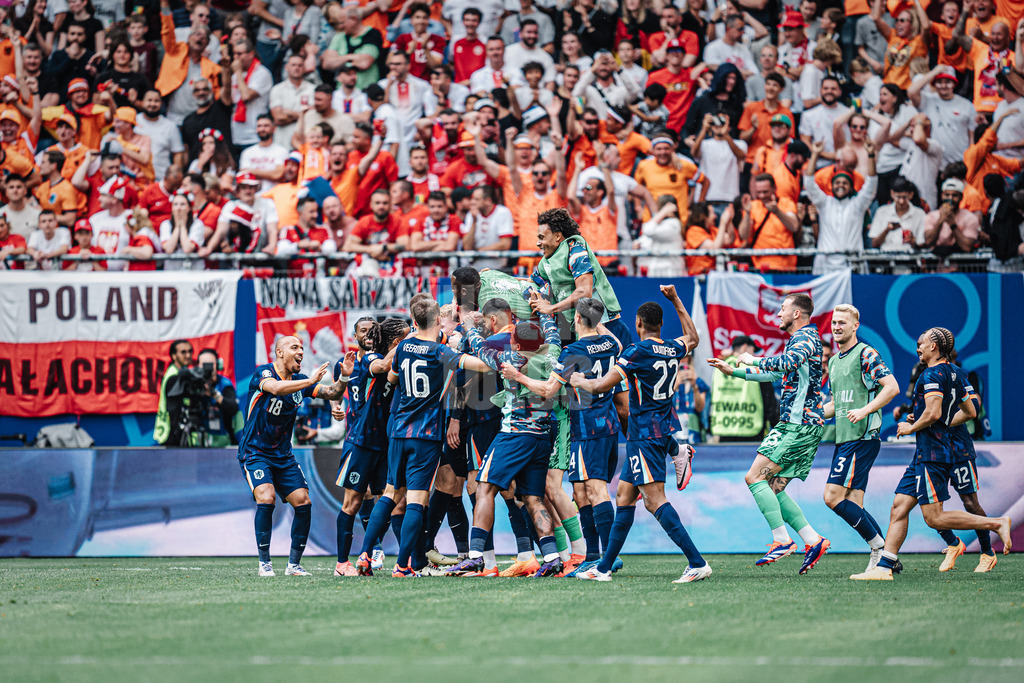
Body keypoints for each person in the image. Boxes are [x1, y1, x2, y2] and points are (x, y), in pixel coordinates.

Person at [851, 328, 1012, 580]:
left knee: (936, 517)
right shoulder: (951, 372)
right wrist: (935, 421)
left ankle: (993, 531)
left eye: (921, 343)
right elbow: (967, 412)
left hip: (938, 453)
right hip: (927, 451)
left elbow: (938, 412)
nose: (918, 348)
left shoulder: (933, 373)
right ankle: (885, 567)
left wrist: (912, 426)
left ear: (934, 346)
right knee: (899, 506)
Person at [573, 286, 709, 584]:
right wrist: (675, 299)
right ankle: (604, 568)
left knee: (654, 500)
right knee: (624, 497)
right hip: (657, 429)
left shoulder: (635, 353)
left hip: (645, 435)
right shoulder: (672, 347)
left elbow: (600, 387)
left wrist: (579, 379)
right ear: (660, 324)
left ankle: (697, 562)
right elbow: (695, 339)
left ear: (637, 324)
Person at [355, 298, 493, 577]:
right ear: (439, 321)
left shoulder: (403, 346)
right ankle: (403, 565)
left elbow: (392, 380)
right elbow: (482, 366)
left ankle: (364, 556)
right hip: (426, 435)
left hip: (398, 431)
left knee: (391, 494)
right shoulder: (440, 352)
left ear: (414, 322)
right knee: (417, 499)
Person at [708, 292, 831, 574]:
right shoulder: (803, 340)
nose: (779, 314)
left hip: (796, 425)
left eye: (783, 309)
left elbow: (784, 364)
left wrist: (751, 359)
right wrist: (734, 372)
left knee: (754, 477)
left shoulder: (804, 339)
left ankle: (782, 540)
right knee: (773, 487)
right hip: (803, 426)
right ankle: (813, 540)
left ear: (797, 314)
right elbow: (777, 375)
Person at [443, 303, 568, 578]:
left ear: (514, 341)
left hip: (514, 435)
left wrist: (468, 326)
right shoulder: (553, 355)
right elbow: (554, 334)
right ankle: (552, 556)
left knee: (485, 487)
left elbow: (479, 347)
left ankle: (475, 557)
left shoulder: (508, 360)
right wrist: (545, 311)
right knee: (533, 498)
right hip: (542, 436)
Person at [501, 297, 621, 575]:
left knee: (595, 491)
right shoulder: (611, 344)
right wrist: (594, 318)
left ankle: (607, 557)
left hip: (588, 426)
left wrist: (519, 378)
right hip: (606, 425)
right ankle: (591, 555)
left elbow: (548, 391)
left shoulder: (573, 352)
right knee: (580, 492)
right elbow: (615, 341)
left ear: (577, 319)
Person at [239, 335, 349, 577]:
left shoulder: (301, 381)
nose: (300, 351)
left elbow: (332, 392)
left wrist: (344, 378)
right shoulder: (264, 373)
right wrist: (310, 381)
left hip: (283, 455)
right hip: (255, 452)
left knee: (303, 501)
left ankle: (293, 565)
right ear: (280, 352)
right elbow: (276, 388)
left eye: (302, 348)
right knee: (266, 498)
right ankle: (265, 564)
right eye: (294, 347)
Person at [821, 304, 900, 571]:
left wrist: (865, 409)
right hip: (844, 437)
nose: (836, 327)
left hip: (862, 436)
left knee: (832, 497)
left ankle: (880, 549)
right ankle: (889, 558)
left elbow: (892, 387)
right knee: (854, 502)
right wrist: (815, 413)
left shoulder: (866, 353)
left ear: (855, 326)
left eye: (842, 322)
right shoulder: (832, 361)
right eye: (834, 323)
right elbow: (835, 403)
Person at [334, 317, 409, 577]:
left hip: (386, 441)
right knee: (353, 501)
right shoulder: (368, 358)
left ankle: (401, 561)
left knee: (394, 502)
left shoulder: (398, 360)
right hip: (362, 440)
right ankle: (342, 563)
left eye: (371, 330)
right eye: (362, 331)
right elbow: (380, 366)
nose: (367, 335)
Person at [804, 139, 878, 273]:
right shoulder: (824, 203)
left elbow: (872, 184)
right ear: (831, 186)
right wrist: (815, 154)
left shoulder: (858, 204)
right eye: (837, 182)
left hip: (852, 266)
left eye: (845, 183)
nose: (841, 185)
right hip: (825, 266)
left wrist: (871, 155)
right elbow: (809, 183)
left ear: (851, 187)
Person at [708, 334, 779, 442]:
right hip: (752, 429)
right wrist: (775, 423)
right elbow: (769, 400)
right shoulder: (755, 368)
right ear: (745, 347)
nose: (754, 354)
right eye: (753, 350)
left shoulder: (720, 367)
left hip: (724, 428)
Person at [195, 348, 242, 447]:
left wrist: (215, 395)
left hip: (224, 442)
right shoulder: (195, 385)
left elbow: (233, 408)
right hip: (199, 442)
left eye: (211, 364)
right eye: (204, 364)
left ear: (218, 365)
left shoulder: (224, 384)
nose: (208, 368)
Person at [153, 339, 195, 446]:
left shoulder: (181, 374)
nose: (188, 355)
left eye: (190, 351)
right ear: (174, 356)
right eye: (183, 352)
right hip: (172, 435)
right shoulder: (173, 376)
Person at [159, 191, 206, 270]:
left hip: (194, 271)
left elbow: (187, 249)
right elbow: (169, 249)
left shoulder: (197, 224)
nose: (179, 208)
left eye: (182, 204)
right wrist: (177, 226)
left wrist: (183, 226)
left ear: (189, 207)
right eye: (175, 204)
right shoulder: (165, 225)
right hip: (171, 272)